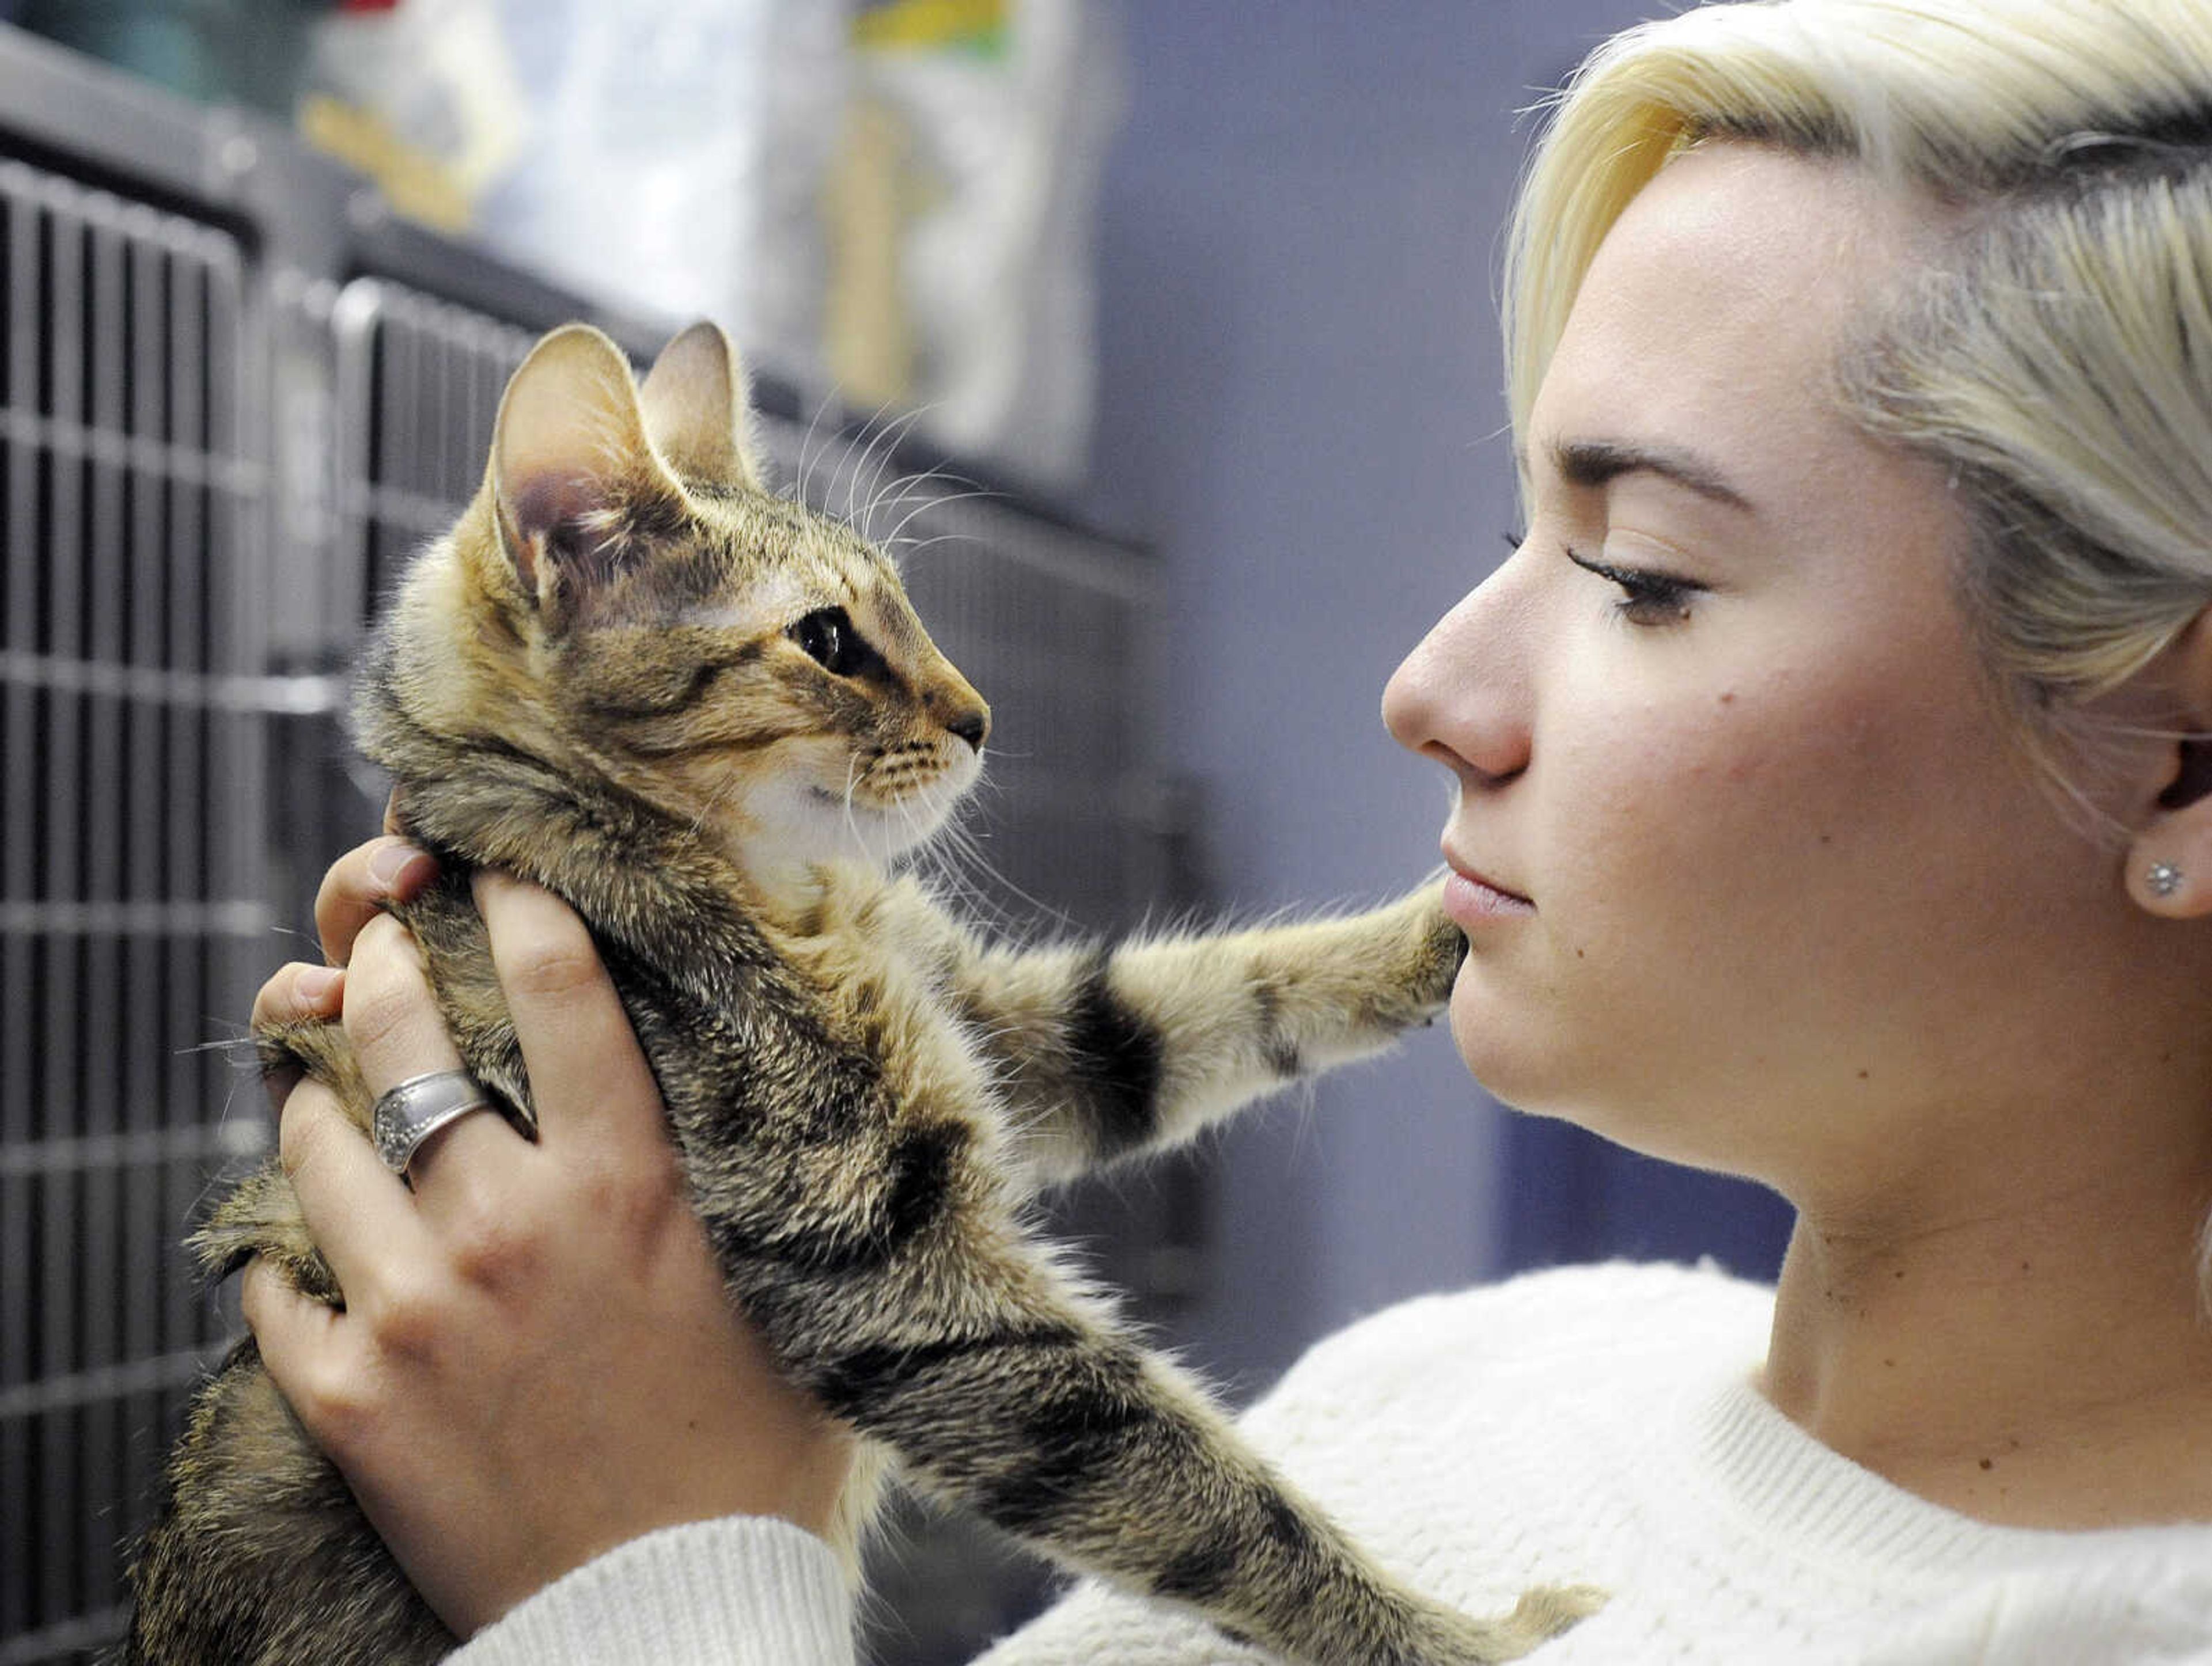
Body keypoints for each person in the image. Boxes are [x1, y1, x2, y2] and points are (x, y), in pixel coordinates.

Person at [240, 0, 2212, 1659]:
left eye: (1641, 574)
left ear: (2182, 757)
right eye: (1513, 529)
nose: (1425, 690)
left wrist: (640, 1580)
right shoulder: (1451, 1380)